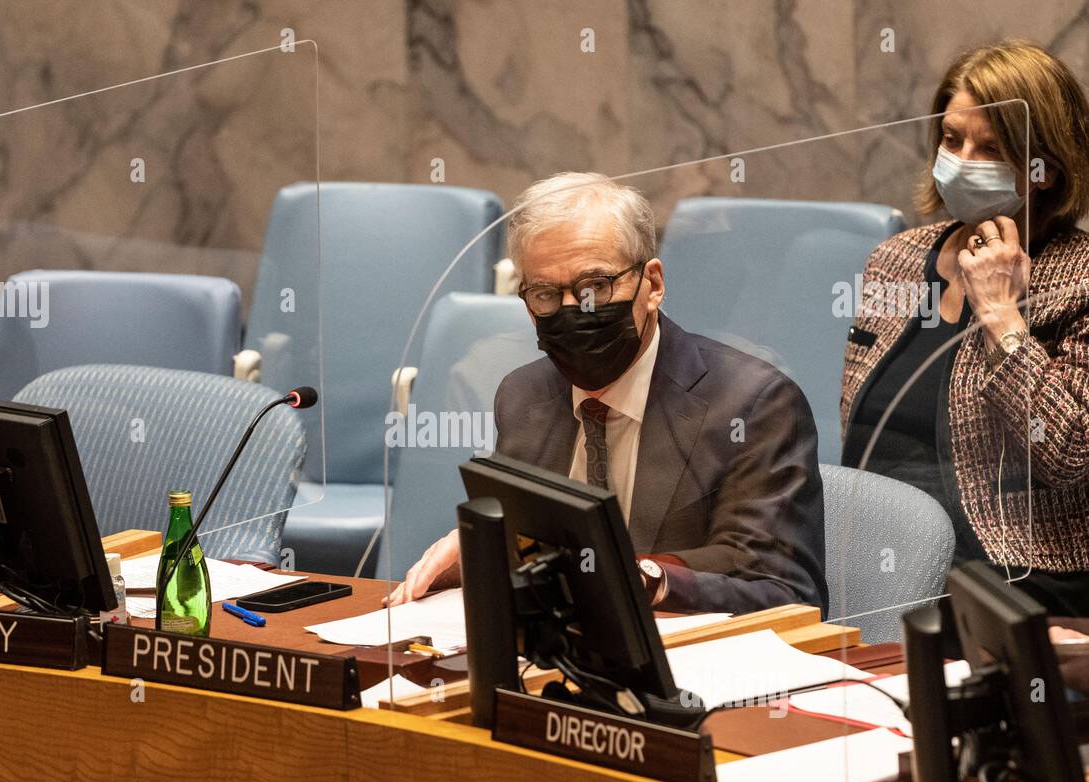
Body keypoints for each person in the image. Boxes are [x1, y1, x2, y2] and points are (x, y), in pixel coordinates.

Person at [386, 171, 827, 614]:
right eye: (545, 293)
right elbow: (532, 553)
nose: (574, 310)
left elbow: (783, 589)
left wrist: (641, 578)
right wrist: (478, 558)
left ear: (652, 285)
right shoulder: (522, 396)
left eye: (595, 286)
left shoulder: (752, 404)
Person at [841, 40, 1089, 616]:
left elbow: (1069, 454)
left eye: (991, 148)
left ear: (1043, 168)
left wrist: (1002, 317)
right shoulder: (894, 260)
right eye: (952, 140)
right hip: (881, 566)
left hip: (1014, 582)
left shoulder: (1079, 280)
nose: (960, 159)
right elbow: (860, 431)